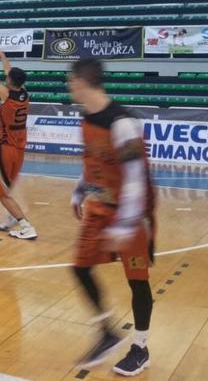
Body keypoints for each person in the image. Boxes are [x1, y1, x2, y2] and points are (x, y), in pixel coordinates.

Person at [68, 58, 156, 376]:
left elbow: (134, 177)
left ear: (82, 82)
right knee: (79, 269)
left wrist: (125, 224)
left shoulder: (123, 123)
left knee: (138, 282)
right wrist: (80, 190)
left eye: (71, 80)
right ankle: (106, 332)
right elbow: (93, 161)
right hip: (100, 207)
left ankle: (141, 347)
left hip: (130, 215)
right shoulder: (86, 117)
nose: (69, 86)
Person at [0, 38, 37, 240]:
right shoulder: (24, 93)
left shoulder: (5, 94)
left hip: (6, 147)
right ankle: (11, 217)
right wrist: (2, 55)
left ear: (9, 81)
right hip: (19, 147)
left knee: (0, 191)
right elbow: (9, 72)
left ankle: (26, 225)